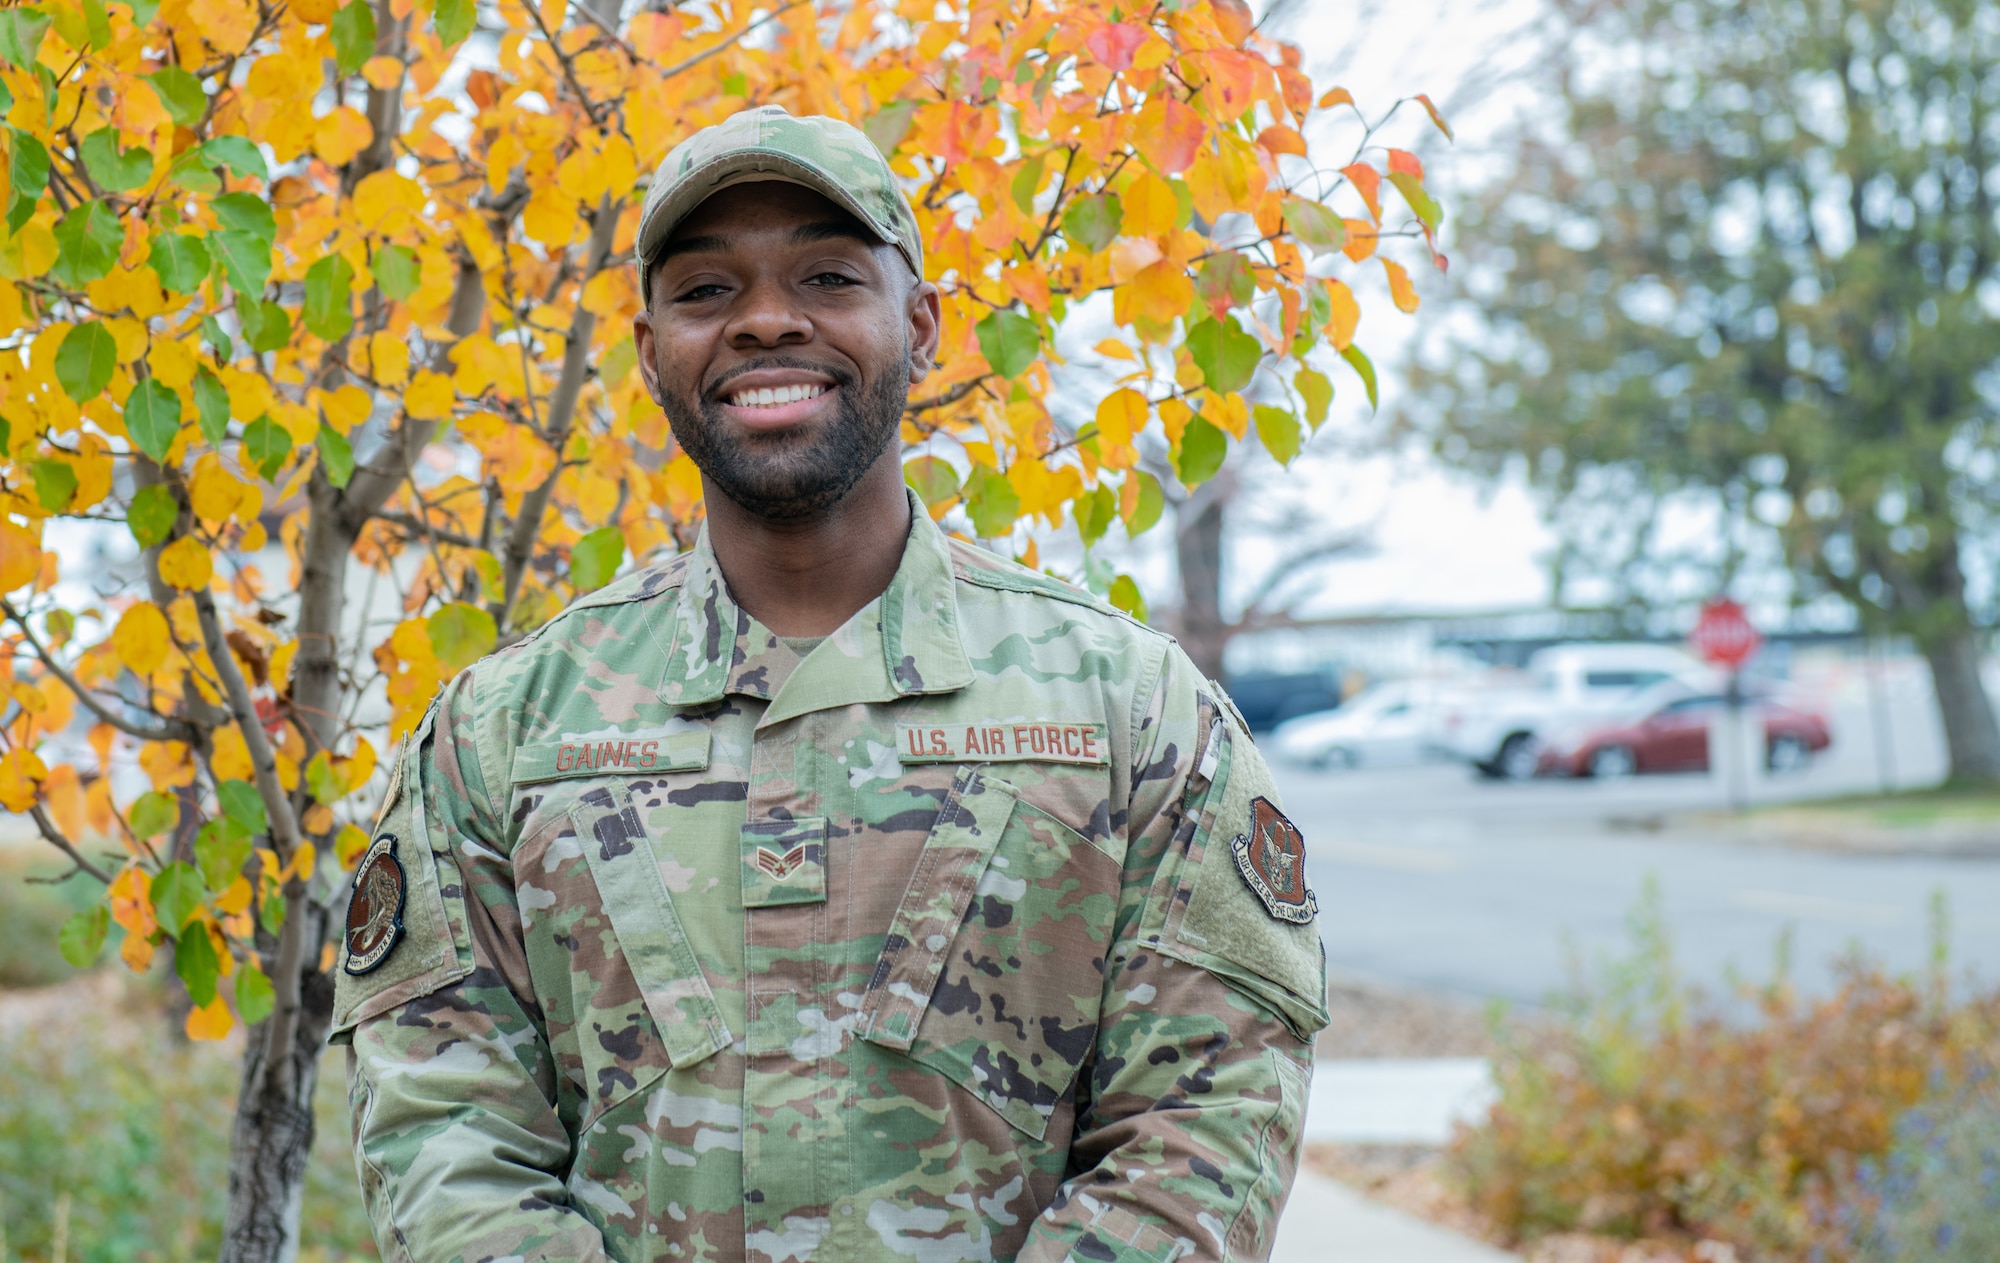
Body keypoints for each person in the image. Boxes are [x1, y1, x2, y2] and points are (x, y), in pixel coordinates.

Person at [332, 105, 1329, 1263]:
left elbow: (1202, 1127)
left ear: (919, 323)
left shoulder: (1126, 710)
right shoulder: (509, 728)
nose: (764, 319)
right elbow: (442, 1124)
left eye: (826, 274)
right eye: (705, 291)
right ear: (650, 347)